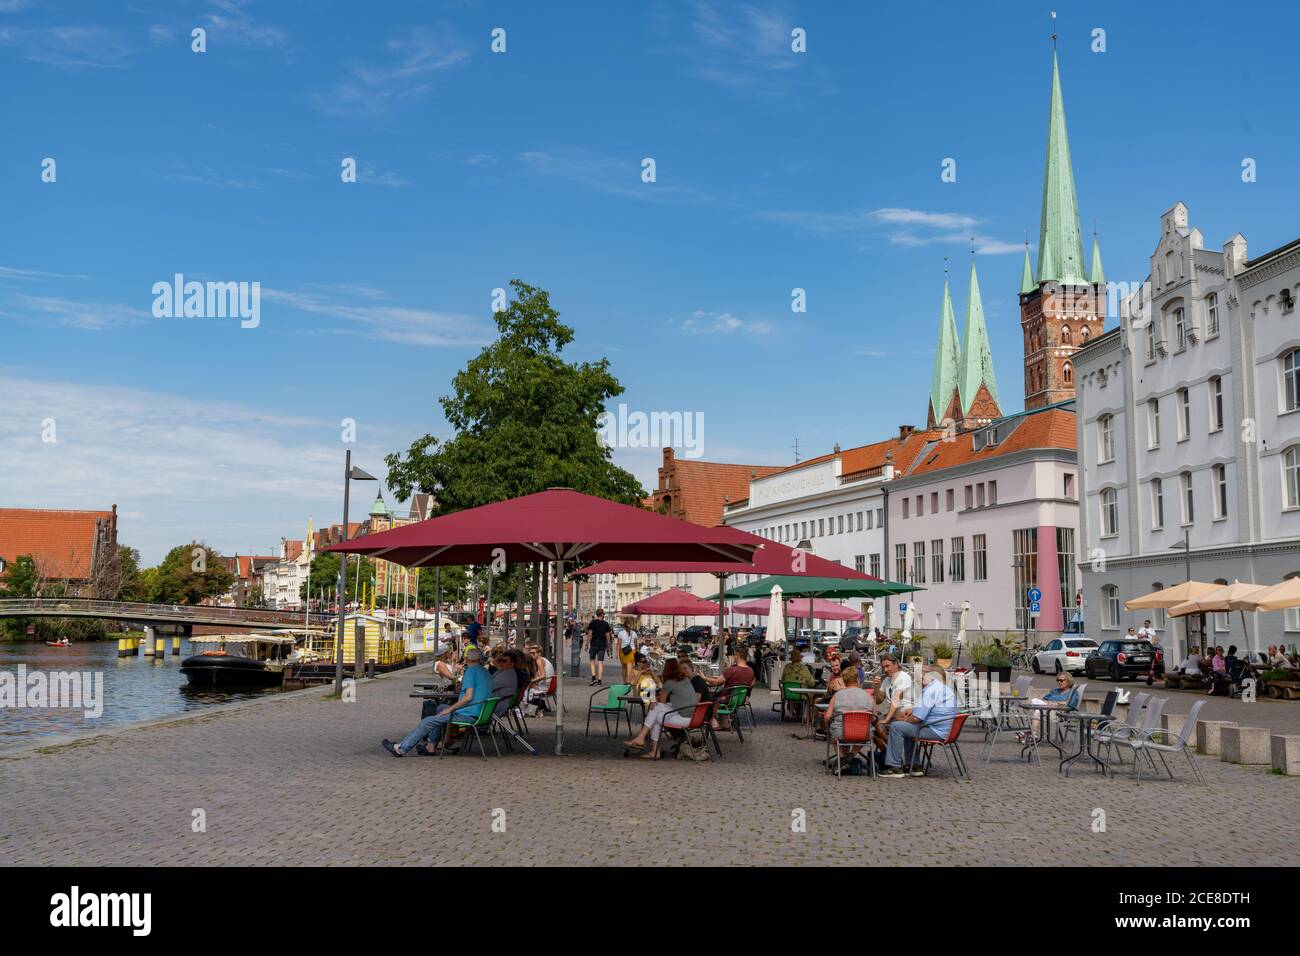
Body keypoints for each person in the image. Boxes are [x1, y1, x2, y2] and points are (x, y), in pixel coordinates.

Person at [384, 647, 492, 756]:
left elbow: (468, 697)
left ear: (467, 659)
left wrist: (450, 709)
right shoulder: (485, 672)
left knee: (428, 721)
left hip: (469, 714)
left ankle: (401, 749)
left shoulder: (471, 672)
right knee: (440, 709)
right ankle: (431, 746)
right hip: (480, 713)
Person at [880, 665, 957, 778]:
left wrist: (905, 719)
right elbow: (929, 710)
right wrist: (912, 711)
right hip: (944, 730)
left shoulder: (931, 690)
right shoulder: (941, 687)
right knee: (905, 727)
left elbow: (917, 718)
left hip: (935, 731)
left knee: (897, 726)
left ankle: (894, 767)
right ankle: (914, 765)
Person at [622, 659, 700, 759]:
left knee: (656, 713)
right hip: (694, 716)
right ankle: (649, 746)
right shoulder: (685, 679)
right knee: (657, 712)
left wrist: (654, 701)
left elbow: (662, 701)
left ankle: (646, 742)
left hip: (685, 718)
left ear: (666, 670)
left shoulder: (670, 682)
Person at [824, 665, 874, 772]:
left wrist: (828, 724)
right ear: (857, 679)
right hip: (863, 733)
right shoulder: (869, 696)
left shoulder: (837, 695)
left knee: (833, 735)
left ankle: (843, 758)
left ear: (845, 681)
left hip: (841, 732)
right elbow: (874, 718)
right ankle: (852, 755)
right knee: (866, 734)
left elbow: (827, 717)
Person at [1017, 672, 1078, 743]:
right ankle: (1031, 735)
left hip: (1059, 713)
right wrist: (1048, 703)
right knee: (1035, 705)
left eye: (1061, 680)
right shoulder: (1055, 691)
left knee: (1036, 709)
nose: (1059, 682)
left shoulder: (1073, 692)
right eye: (1058, 680)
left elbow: (1071, 704)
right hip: (1047, 709)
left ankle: (1028, 732)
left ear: (1068, 681)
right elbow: (1044, 699)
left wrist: (1056, 703)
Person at [872, 655, 914, 756]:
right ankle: (886, 753)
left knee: (879, 726)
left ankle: (895, 755)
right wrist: (876, 688)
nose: (885, 670)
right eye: (883, 667)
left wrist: (887, 719)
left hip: (905, 714)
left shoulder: (903, 677)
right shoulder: (887, 680)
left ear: (896, 664)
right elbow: (878, 700)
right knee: (869, 728)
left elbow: (896, 700)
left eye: (887, 666)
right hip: (894, 715)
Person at [525, 642, 555, 717]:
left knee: (526, 686)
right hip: (551, 685)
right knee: (530, 684)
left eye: (533, 653)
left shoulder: (539, 661)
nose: (531, 655)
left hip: (546, 687)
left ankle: (528, 708)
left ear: (539, 653)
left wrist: (532, 681)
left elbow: (543, 676)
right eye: (530, 653)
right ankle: (538, 704)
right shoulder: (543, 659)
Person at [584, 609, 612, 686]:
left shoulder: (592, 623)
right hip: (602, 646)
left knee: (592, 660)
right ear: (602, 614)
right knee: (600, 662)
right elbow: (608, 637)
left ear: (596, 614)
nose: (604, 615)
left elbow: (590, 634)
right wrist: (609, 647)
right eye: (604, 614)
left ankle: (593, 677)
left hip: (593, 645)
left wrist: (586, 644)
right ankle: (599, 680)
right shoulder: (606, 624)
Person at [615, 617, 638, 684]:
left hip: (623, 652)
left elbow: (619, 644)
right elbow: (636, 644)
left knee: (624, 667)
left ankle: (625, 681)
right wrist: (637, 652)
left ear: (624, 627)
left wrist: (617, 653)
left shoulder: (621, 633)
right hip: (632, 651)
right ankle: (628, 681)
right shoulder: (634, 633)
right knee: (629, 666)